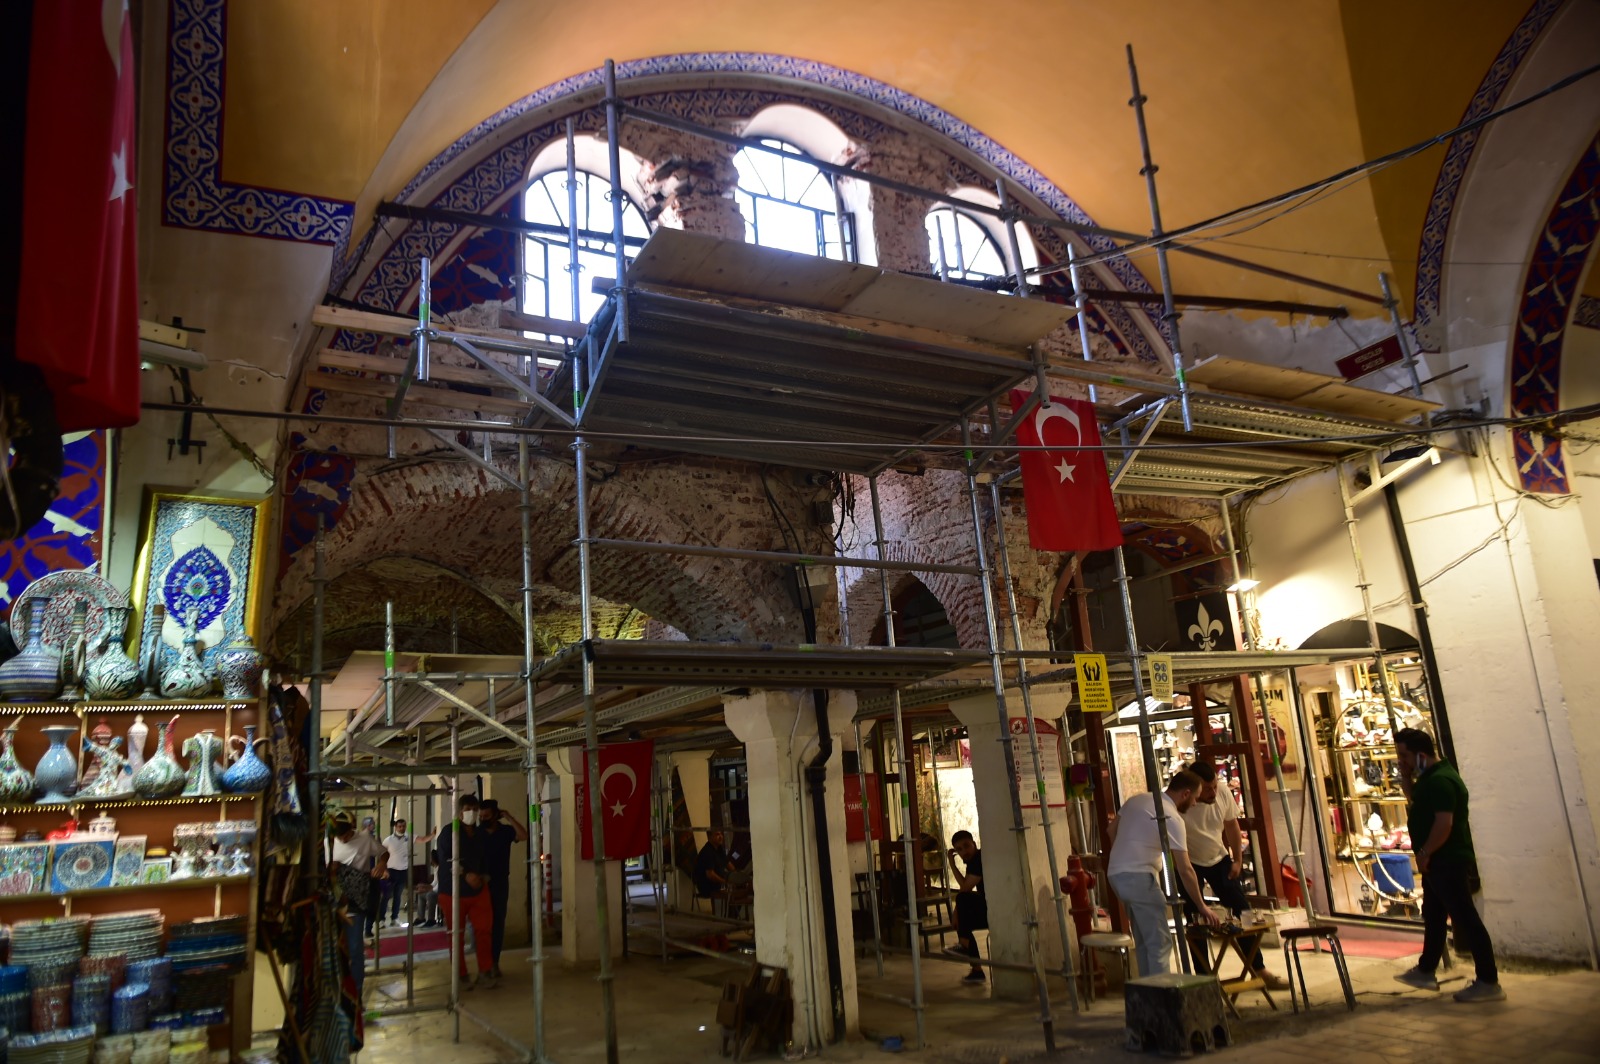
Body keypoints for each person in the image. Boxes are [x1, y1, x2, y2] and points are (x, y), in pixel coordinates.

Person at [1391, 728, 1505, 1002]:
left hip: (1447, 860)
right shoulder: (1428, 779)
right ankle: (1426, 969)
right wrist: (1405, 777)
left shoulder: (1441, 781)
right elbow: (1414, 801)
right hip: (1436, 861)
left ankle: (1489, 981)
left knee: (1466, 919)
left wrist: (1426, 851)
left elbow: (1444, 823)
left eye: (1404, 755)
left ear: (1421, 754)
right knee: (1433, 915)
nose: (1401, 761)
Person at [1176, 762, 1289, 990]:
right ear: (1194, 788)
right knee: (1196, 919)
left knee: (1242, 910)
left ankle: (1259, 969)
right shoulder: (1181, 801)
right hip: (1189, 862)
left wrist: (1237, 858)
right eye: (1207, 789)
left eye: (1214, 787)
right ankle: (1204, 979)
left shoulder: (1223, 792)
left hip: (1218, 857)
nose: (1213, 793)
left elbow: (1231, 826)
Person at [1106, 769, 1220, 977]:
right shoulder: (1171, 817)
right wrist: (1202, 906)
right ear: (1185, 794)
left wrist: (1121, 856)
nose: (1195, 803)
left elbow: (1111, 830)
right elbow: (1185, 869)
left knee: (1144, 940)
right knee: (1159, 942)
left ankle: (1149, 996)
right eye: (1195, 797)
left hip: (1116, 874)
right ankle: (1163, 999)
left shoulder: (1138, 799)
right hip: (1139, 877)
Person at [436, 793, 497, 989]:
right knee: (456, 934)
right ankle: (460, 975)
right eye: (468, 810)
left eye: (475, 810)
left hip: (478, 891)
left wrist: (484, 876)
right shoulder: (448, 832)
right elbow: (446, 859)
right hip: (453, 891)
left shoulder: (480, 834)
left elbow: (486, 859)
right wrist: (465, 875)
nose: (472, 813)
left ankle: (485, 971)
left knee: (484, 931)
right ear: (460, 812)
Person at [326, 811, 388, 1000]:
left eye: (345, 836)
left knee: (354, 948)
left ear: (351, 830)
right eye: (339, 837)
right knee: (334, 949)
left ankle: (357, 993)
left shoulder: (364, 839)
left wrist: (381, 865)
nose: (342, 840)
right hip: (334, 900)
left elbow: (384, 852)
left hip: (356, 900)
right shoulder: (329, 842)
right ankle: (337, 992)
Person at [477, 799, 528, 979]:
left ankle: (495, 963)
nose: (483, 819)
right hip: (480, 884)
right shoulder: (477, 833)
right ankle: (484, 965)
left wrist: (509, 817)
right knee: (482, 925)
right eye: (481, 816)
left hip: (499, 883)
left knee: (497, 923)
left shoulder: (505, 831)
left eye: (487, 816)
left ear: (496, 815)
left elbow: (523, 836)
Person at [944, 830, 988, 984]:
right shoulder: (973, 862)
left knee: (962, 902)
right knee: (965, 922)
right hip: (988, 905)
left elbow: (964, 889)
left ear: (974, 844)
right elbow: (965, 887)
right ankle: (976, 970)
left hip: (995, 907)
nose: (964, 852)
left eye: (966, 846)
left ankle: (964, 946)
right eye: (959, 849)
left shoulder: (978, 860)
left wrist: (955, 913)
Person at [381, 817, 439, 928]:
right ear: (395, 827)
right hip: (391, 870)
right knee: (387, 896)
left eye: (403, 826)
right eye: (399, 826)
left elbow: (422, 840)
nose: (402, 828)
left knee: (398, 895)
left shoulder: (409, 837)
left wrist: (432, 835)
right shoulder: (388, 840)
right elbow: (382, 855)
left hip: (403, 870)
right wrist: (384, 870)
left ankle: (395, 918)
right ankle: (381, 919)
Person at [693, 830, 749, 899]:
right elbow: (710, 875)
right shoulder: (707, 851)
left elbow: (728, 864)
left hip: (718, 883)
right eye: (717, 834)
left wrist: (738, 876)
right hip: (707, 887)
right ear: (710, 837)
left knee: (742, 886)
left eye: (721, 834)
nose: (721, 837)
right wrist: (725, 882)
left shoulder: (719, 849)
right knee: (735, 893)